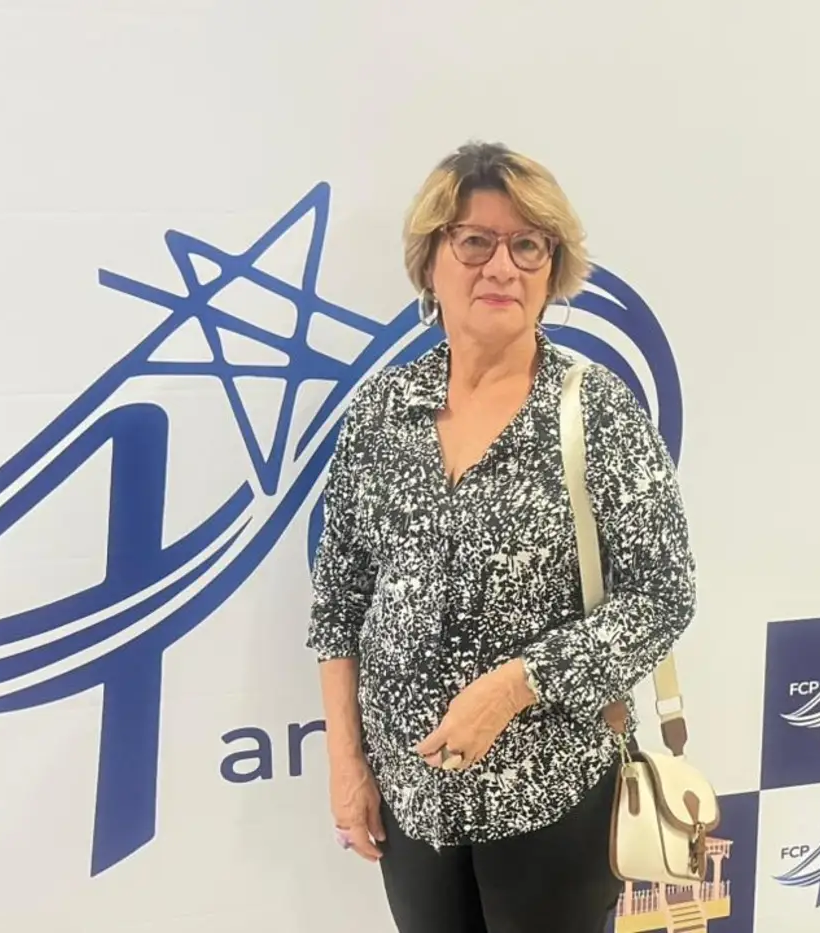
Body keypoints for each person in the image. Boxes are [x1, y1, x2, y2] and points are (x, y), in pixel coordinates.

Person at [306, 140, 697, 933]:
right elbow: (339, 602)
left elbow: (663, 595)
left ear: (553, 270)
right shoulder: (382, 411)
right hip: (413, 801)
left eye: (528, 246)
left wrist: (517, 684)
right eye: (475, 241)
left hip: (553, 796)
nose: (502, 267)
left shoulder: (596, 410)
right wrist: (347, 761)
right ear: (430, 261)